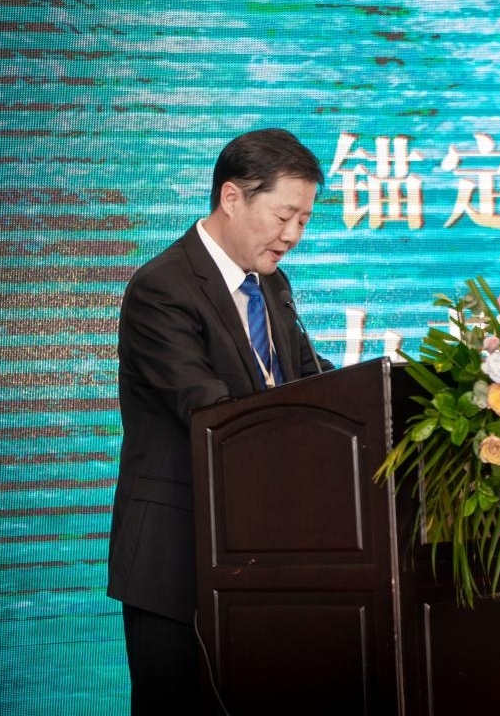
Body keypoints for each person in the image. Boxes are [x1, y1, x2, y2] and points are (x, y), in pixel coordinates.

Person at [107, 128, 333, 714]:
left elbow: (309, 380)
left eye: (304, 221)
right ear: (232, 197)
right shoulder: (162, 288)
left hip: (257, 550)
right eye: (284, 216)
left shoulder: (272, 286)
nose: (293, 235)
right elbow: (210, 411)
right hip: (178, 560)